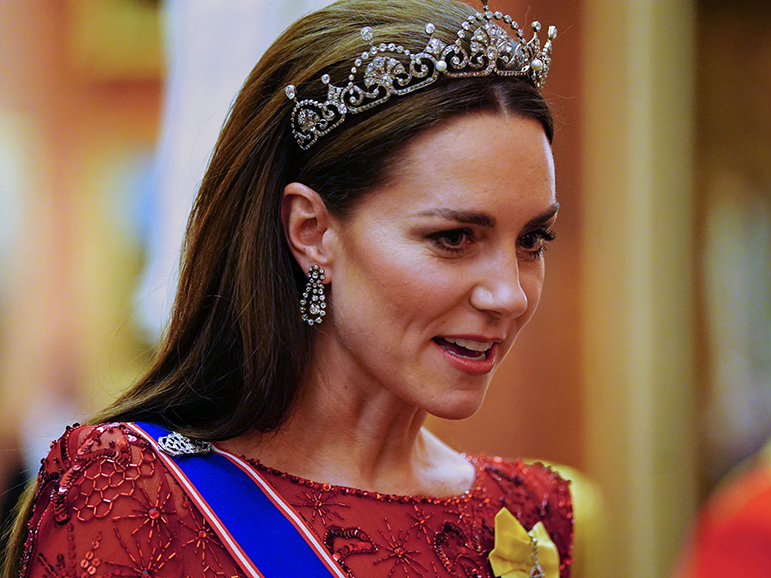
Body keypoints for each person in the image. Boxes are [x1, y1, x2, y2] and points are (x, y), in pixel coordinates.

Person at [3, 0, 573, 576]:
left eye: (532, 239)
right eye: (454, 238)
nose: (509, 295)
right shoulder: (138, 495)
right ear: (312, 230)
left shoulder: (529, 514)